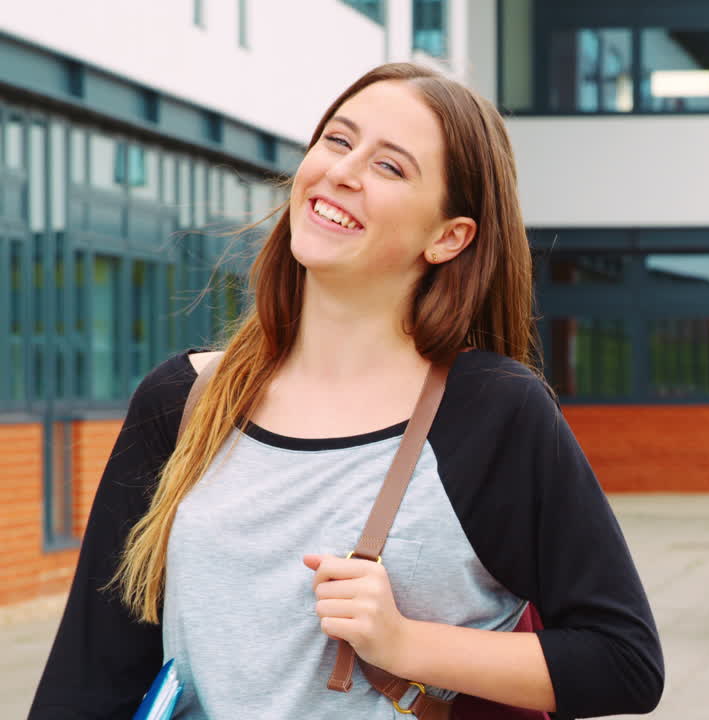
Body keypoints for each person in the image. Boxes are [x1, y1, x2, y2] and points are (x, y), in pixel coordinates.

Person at [29, 63, 663, 719]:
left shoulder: (492, 411)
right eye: (338, 140)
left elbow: (624, 661)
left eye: (389, 166)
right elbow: (90, 678)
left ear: (448, 237)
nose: (343, 171)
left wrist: (405, 643)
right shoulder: (183, 402)